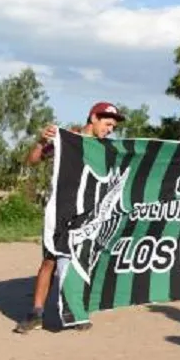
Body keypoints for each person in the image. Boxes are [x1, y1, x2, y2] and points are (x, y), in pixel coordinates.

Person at [14, 102, 124, 334]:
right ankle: (36, 312)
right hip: (60, 210)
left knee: (82, 259)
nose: (110, 129)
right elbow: (32, 160)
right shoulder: (68, 139)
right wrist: (43, 141)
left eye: (113, 126)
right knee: (49, 261)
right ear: (93, 118)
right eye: (107, 124)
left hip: (89, 214)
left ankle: (75, 310)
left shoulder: (106, 148)